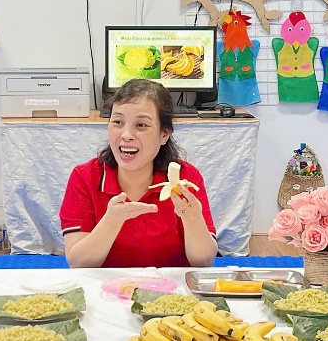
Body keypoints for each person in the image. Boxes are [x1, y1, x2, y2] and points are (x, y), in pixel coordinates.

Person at [60, 79, 217, 268]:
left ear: (164, 134)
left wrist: (192, 219)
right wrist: (112, 221)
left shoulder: (186, 178)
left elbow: (204, 261)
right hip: (105, 292)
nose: (126, 134)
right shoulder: (85, 177)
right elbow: (78, 263)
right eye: (117, 122)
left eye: (141, 125)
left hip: (171, 292)